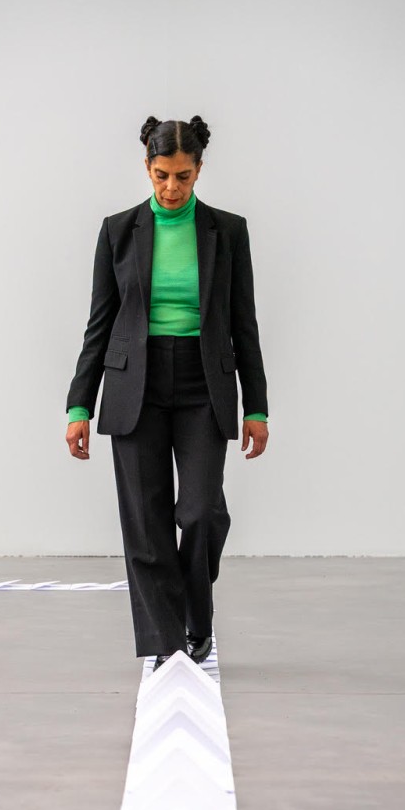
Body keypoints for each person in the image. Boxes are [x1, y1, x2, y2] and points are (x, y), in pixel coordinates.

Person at [65, 115, 269, 671]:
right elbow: (99, 324)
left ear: (199, 169)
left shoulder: (228, 231)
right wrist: (79, 404)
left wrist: (256, 406)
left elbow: (244, 324)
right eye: (161, 175)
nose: (171, 188)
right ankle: (170, 641)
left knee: (201, 512)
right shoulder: (117, 230)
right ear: (147, 167)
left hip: (204, 383)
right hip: (135, 383)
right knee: (146, 525)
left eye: (183, 176)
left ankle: (196, 614)